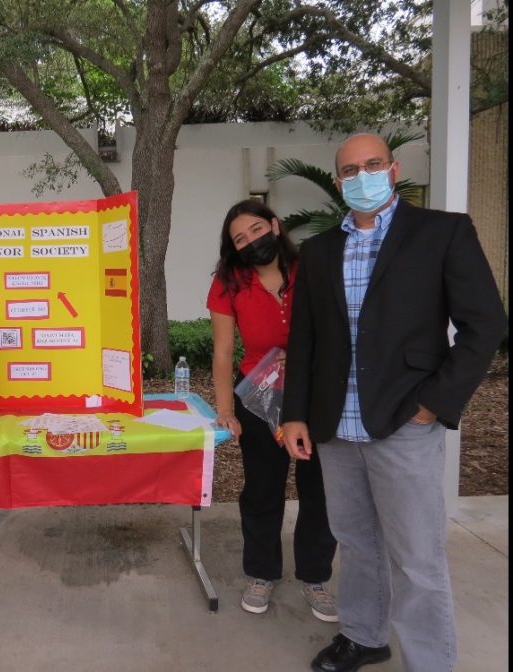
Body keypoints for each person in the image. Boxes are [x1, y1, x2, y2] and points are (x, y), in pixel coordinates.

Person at [282, 133, 507, 672]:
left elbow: (485, 324)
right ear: (338, 183)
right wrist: (294, 412)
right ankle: (363, 636)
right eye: (350, 171)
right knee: (356, 542)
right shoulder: (318, 251)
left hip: (404, 423)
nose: (362, 176)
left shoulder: (442, 233)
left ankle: (429, 662)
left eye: (373, 164)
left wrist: (435, 401)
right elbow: (305, 340)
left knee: (417, 558)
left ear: (393, 168)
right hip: (337, 426)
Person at [208, 199, 337, 620]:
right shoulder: (228, 283)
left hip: (315, 396)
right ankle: (261, 573)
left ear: (275, 226)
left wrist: (302, 357)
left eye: (256, 231)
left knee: (319, 489)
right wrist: (226, 410)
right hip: (260, 399)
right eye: (240, 239)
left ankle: (315, 576)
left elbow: (338, 331)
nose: (250, 242)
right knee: (262, 491)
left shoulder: (312, 270)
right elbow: (224, 353)